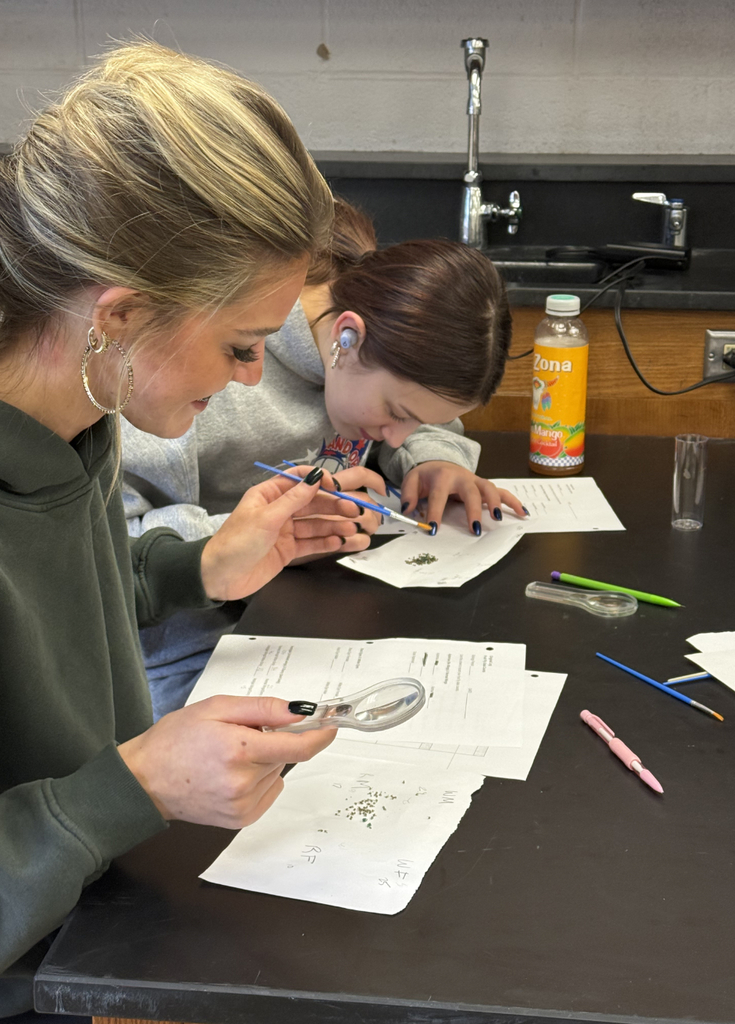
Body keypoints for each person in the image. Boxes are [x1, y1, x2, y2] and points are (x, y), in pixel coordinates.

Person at [0, 41, 382, 1014]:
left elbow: (59, 611)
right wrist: (130, 788)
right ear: (120, 315)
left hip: (87, 925)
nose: (253, 378)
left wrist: (198, 566)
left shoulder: (77, 412)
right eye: (243, 345)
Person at [120, 199, 527, 719]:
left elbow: (426, 417)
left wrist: (433, 458)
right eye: (396, 413)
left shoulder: (368, 337)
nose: (397, 437)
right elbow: (111, 553)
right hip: (188, 651)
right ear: (346, 338)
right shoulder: (196, 369)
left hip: (304, 620)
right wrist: (257, 538)